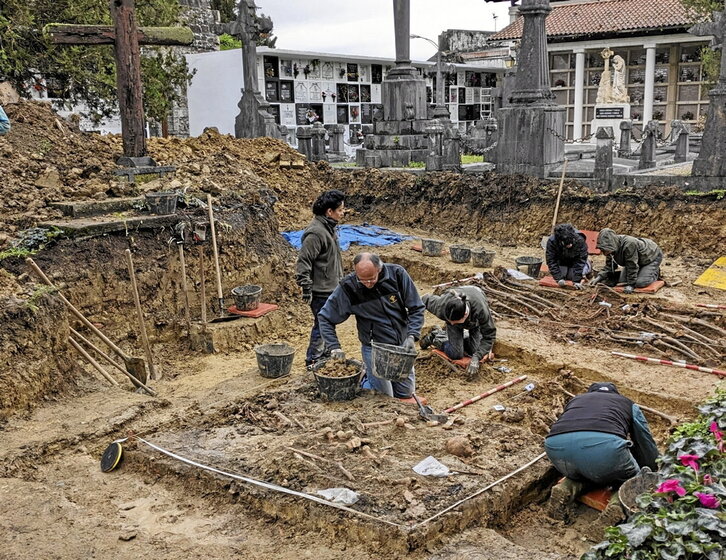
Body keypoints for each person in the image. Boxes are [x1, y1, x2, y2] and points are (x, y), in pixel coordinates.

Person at [545, 382, 659, 521]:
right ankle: (616, 507)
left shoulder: (576, 400)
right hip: (605, 448)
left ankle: (564, 489)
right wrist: (650, 468)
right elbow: (644, 440)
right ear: (615, 394)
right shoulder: (627, 403)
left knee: (586, 473)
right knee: (631, 482)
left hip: (555, 447)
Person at [318, 252, 425, 399]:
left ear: (379, 269)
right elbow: (324, 317)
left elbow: (416, 308)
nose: (368, 284)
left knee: (405, 393)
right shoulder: (349, 288)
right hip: (375, 348)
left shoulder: (397, 275)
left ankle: (370, 376)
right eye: (363, 280)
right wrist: (334, 346)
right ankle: (365, 378)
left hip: (401, 346)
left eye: (372, 279)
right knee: (385, 397)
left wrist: (412, 336)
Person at [295, 190, 345, 367]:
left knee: (326, 323)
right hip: (320, 289)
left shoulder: (328, 228)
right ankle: (313, 359)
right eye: (340, 210)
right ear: (329, 212)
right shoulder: (316, 233)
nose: (343, 213)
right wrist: (306, 287)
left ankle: (323, 353)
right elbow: (304, 261)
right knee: (322, 324)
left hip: (331, 286)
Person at [419, 285, 497, 379]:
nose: (451, 323)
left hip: (474, 321)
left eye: (454, 322)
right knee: (456, 354)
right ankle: (435, 336)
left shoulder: (481, 311)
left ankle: (459, 339)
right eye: (449, 321)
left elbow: (489, 336)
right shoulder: (441, 305)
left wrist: (476, 358)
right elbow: (423, 299)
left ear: (465, 315)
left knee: (475, 351)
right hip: (457, 312)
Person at [591, 228, 662, 293]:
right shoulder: (611, 249)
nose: (603, 253)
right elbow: (609, 266)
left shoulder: (629, 244)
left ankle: (655, 272)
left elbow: (632, 265)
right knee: (622, 281)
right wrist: (599, 277)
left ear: (611, 245)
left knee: (640, 283)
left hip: (651, 256)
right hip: (636, 260)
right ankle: (641, 271)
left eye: (604, 250)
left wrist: (631, 285)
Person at [545, 223, 591, 290]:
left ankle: (588, 266)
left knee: (576, 274)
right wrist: (558, 278)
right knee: (562, 276)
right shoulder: (552, 242)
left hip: (575, 262)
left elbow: (580, 261)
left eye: (570, 243)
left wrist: (576, 281)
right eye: (566, 243)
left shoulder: (580, 240)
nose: (569, 245)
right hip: (561, 261)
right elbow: (551, 261)